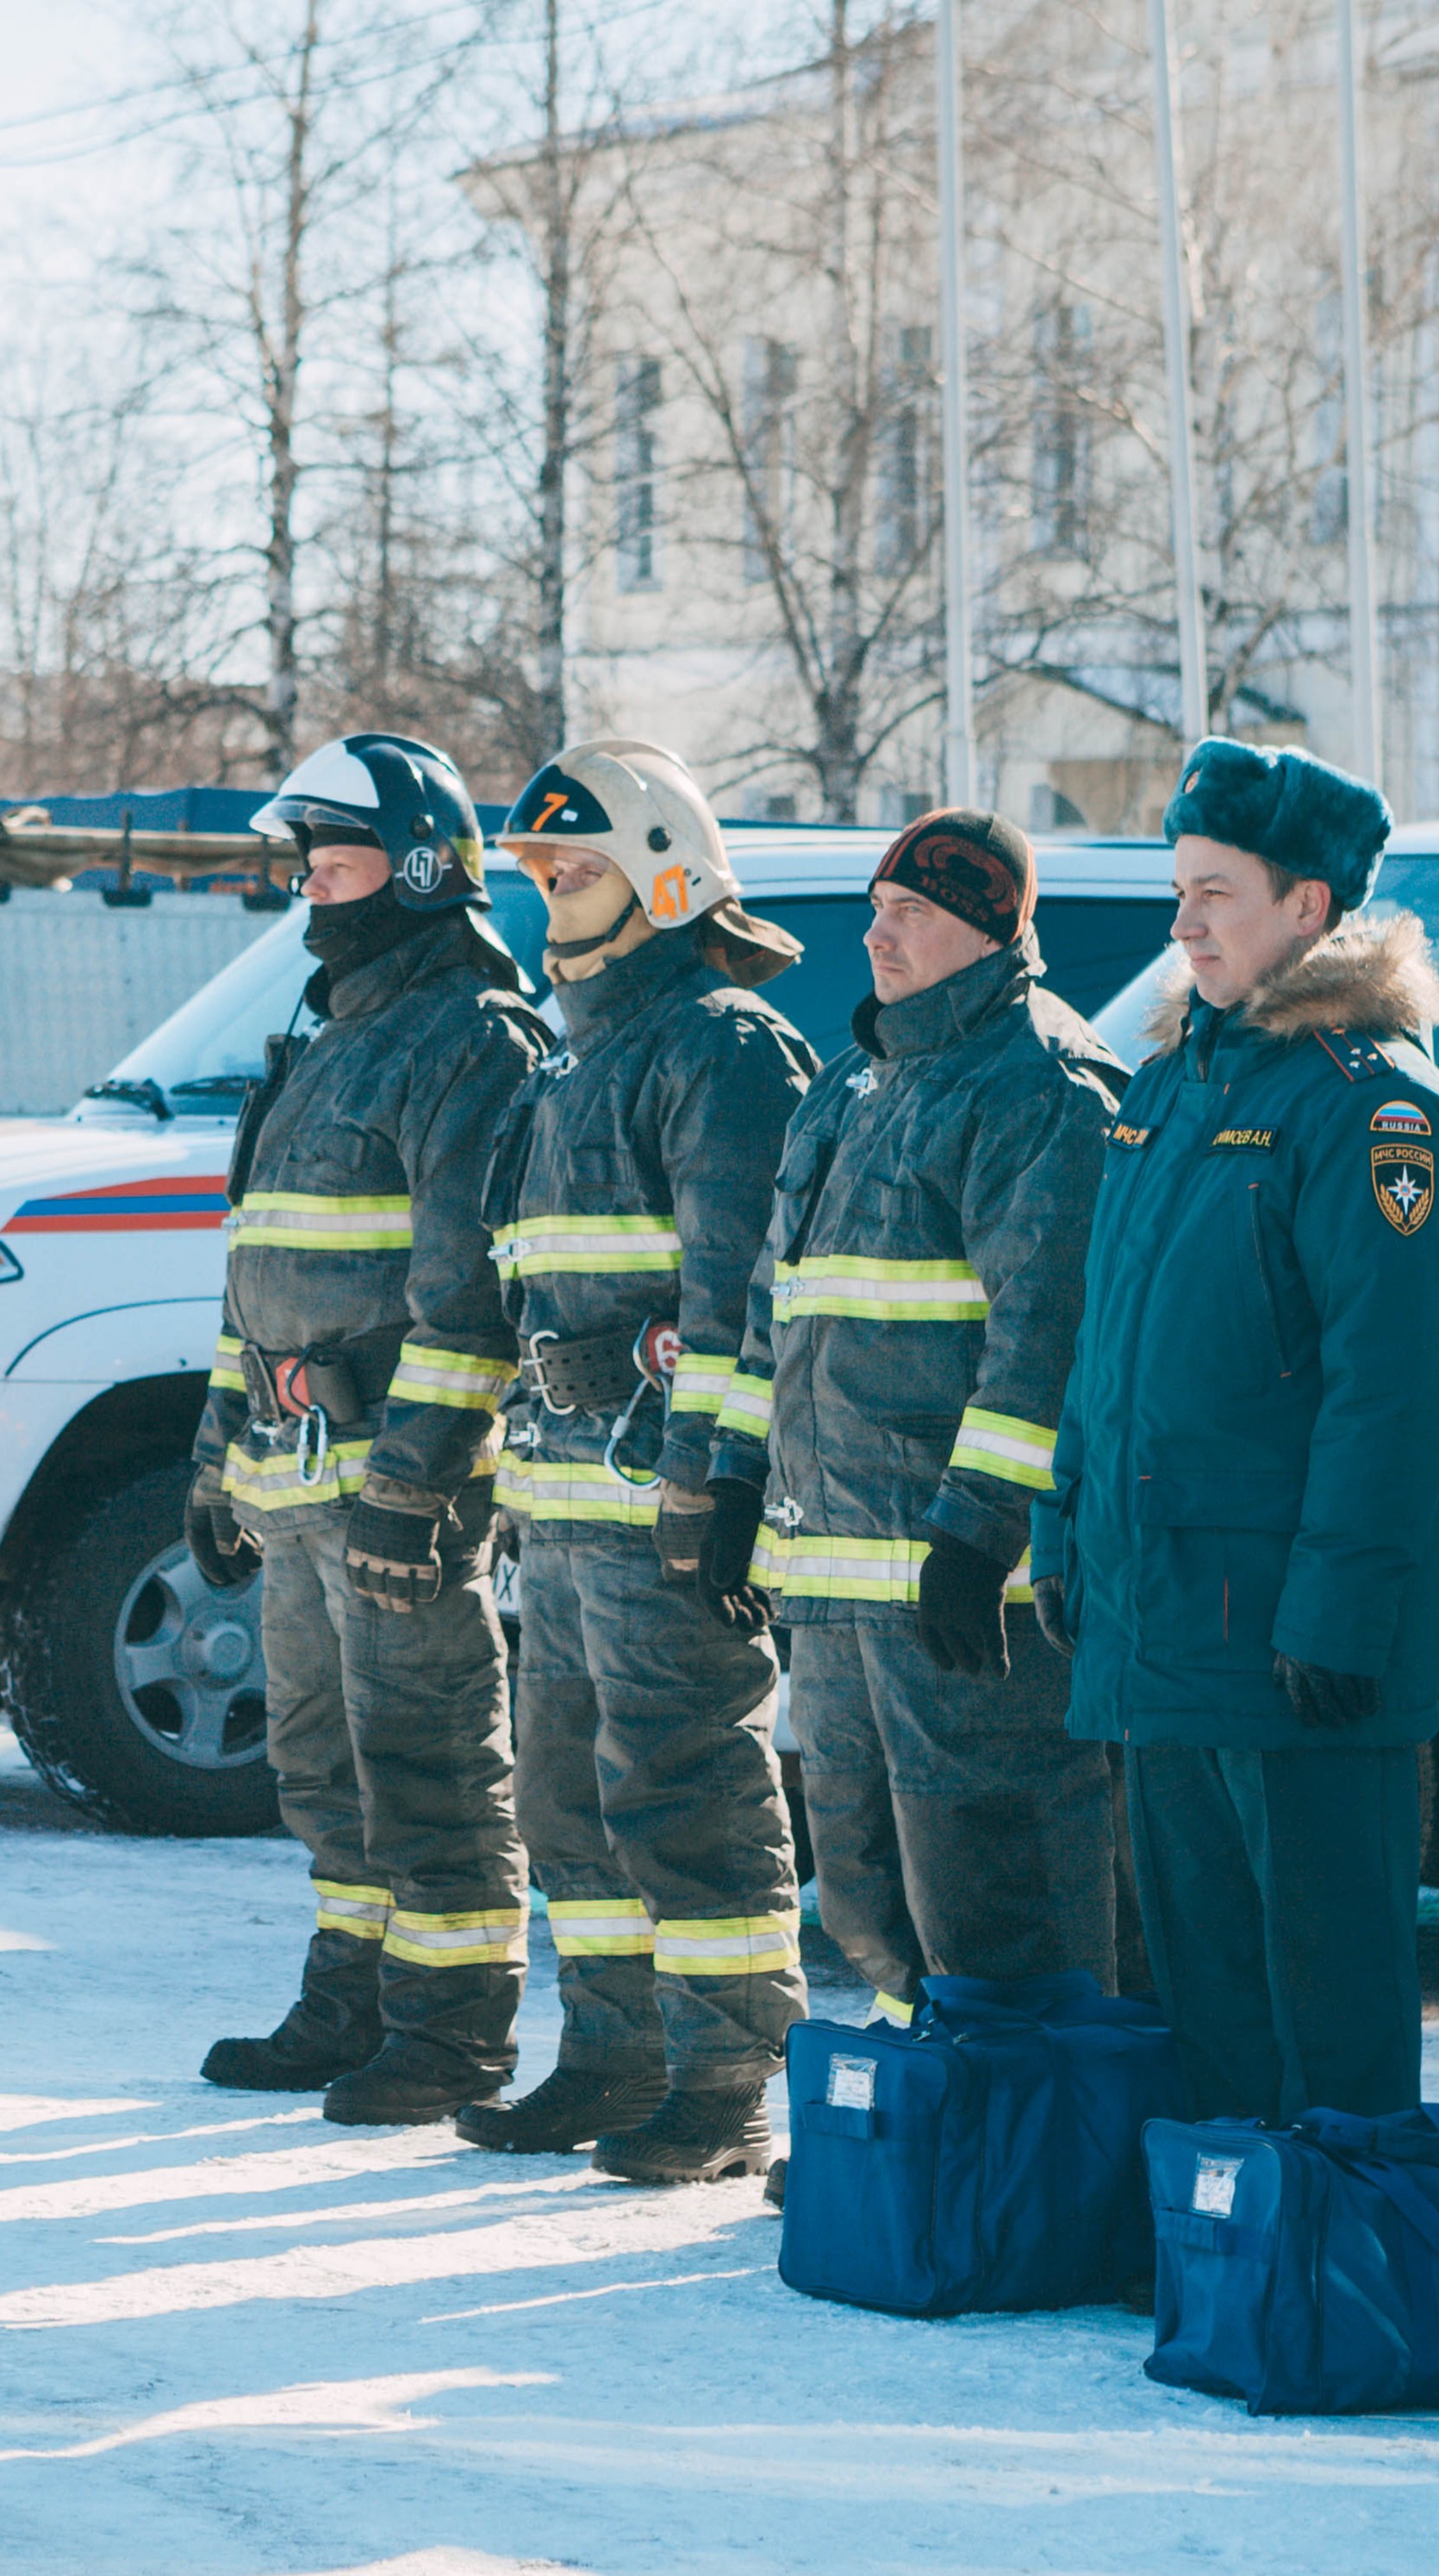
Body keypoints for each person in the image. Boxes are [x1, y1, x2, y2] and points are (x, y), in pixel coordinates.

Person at [1043, 741, 1439, 2135]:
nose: (1183, 924)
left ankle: (1343, 2299)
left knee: (1325, 2010)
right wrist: (1065, 1529)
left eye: (1213, 892)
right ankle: (1234, 2278)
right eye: (1177, 891)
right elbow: (1103, 1345)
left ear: (1309, 904)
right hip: (1164, 1626)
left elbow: (1389, 1393)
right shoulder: (1170, 1089)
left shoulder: (1370, 1104)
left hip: (1292, 1652)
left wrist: (1338, 1616)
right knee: (1205, 1997)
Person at [454, 739, 816, 2186]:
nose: (550, 896)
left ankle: (725, 2079)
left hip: (665, 1514)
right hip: (563, 1505)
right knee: (566, 1793)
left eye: (578, 868)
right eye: (540, 872)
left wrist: (708, 1483)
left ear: (667, 877)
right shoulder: (573, 1058)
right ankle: (610, 2054)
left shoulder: (722, 1049)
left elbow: (741, 1297)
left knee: (685, 1787)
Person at [703, 810, 1121, 2023]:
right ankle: (925, 2119)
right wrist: (736, 1485)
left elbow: (1044, 1340)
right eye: (878, 907)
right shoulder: (854, 1079)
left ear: (993, 934)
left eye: (915, 914)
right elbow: (771, 1309)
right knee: (867, 1890)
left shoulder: (1043, 1085)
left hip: (960, 1590)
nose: (879, 934)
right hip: (836, 1580)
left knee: (995, 1887)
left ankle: (1011, 2141)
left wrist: (978, 1530)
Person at [191, 734, 550, 2123]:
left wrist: (417, 1485)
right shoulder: (327, 1038)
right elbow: (255, 1266)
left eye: (331, 864)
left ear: (414, 868)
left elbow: (467, 1294)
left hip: (394, 1485)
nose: (308, 893)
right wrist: (215, 1451)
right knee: (320, 1761)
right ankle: (351, 1996)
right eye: (302, 865)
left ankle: (452, 2028)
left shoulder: (469, 1038)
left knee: (428, 1760)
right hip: (291, 1479)